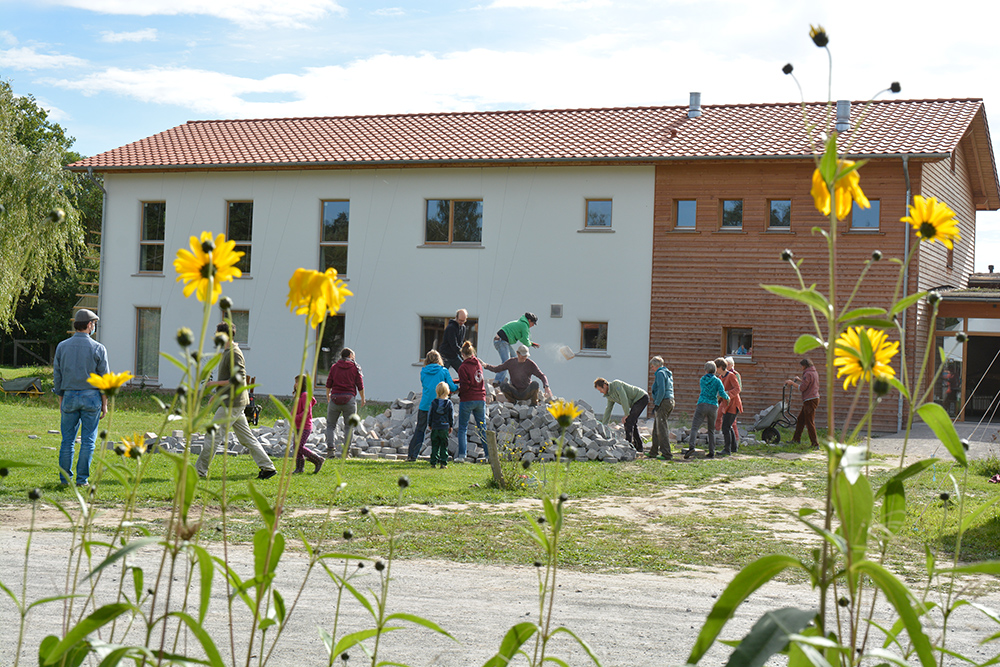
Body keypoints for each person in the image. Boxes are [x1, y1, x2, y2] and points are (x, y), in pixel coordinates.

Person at [196, 322, 278, 479]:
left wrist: (214, 384)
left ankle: (199, 472)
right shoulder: (228, 351)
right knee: (246, 438)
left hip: (232, 404)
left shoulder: (235, 353)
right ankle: (268, 468)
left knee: (212, 436)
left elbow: (238, 379)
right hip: (233, 402)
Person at [53, 309, 109, 486]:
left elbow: (57, 376)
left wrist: (61, 398)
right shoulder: (98, 348)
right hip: (91, 397)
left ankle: (65, 479)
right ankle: (82, 479)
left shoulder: (62, 346)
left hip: (69, 395)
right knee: (88, 441)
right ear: (90, 325)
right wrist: (105, 404)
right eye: (94, 324)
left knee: (67, 441)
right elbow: (104, 380)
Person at [407, 350, 458, 461]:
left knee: (420, 430)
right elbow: (452, 387)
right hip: (440, 405)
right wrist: (458, 386)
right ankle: (438, 457)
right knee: (439, 432)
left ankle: (412, 455)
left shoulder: (423, 371)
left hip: (425, 405)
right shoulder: (443, 371)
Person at [325, 348, 366, 458]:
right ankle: (346, 453)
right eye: (354, 356)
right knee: (349, 427)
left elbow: (328, 383)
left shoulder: (334, 367)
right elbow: (360, 385)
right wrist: (363, 398)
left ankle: (330, 451)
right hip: (349, 400)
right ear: (350, 356)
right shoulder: (355, 367)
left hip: (334, 399)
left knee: (331, 426)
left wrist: (328, 396)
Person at [684, 361, 729, 459]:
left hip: (702, 404)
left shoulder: (702, 380)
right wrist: (728, 398)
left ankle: (691, 447)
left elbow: (704, 390)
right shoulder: (718, 381)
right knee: (711, 430)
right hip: (713, 406)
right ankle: (711, 451)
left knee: (695, 427)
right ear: (715, 371)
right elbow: (722, 393)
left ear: (706, 370)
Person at [483, 344, 553, 404]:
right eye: (522, 355)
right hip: (515, 392)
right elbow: (497, 369)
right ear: (517, 353)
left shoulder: (530, 364)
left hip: (526, 392)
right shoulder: (511, 362)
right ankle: (512, 401)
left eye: (525, 356)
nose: (524, 357)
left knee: (535, 384)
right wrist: (486, 365)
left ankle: (534, 403)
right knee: (503, 385)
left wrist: (546, 386)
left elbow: (542, 375)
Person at [594, 377, 649, 452]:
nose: (600, 392)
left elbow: (624, 399)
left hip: (641, 397)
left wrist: (626, 414)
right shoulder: (609, 395)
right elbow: (608, 409)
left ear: (605, 385)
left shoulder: (616, 385)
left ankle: (628, 446)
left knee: (628, 422)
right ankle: (639, 446)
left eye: (600, 389)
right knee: (632, 422)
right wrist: (604, 425)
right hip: (635, 403)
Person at [456, 341, 487, 462]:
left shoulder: (463, 367)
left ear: (462, 354)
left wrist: (458, 392)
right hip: (480, 398)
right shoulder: (478, 364)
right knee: (482, 428)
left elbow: (465, 386)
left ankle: (462, 455)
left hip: (468, 399)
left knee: (463, 428)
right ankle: (488, 455)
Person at [493, 312, 539, 384]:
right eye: (533, 323)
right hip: (501, 341)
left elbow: (521, 338)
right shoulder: (524, 325)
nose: (533, 325)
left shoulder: (521, 323)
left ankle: (514, 381)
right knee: (506, 361)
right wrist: (530, 344)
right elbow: (525, 340)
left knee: (516, 359)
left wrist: (531, 343)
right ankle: (497, 381)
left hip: (503, 341)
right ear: (529, 320)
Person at [292, 374, 324, 474]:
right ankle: (299, 468)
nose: (295, 384)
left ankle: (318, 459)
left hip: (304, 426)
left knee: (299, 446)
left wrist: (295, 417)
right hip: (297, 426)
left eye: (297, 382)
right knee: (296, 447)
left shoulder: (305, 396)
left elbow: (306, 412)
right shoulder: (300, 396)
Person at [786, 358, 820, 448]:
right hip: (813, 399)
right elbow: (809, 384)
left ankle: (815, 444)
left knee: (809, 422)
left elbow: (802, 388)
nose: (801, 367)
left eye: (801, 366)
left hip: (810, 400)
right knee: (801, 420)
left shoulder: (807, 373)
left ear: (805, 366)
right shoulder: (814, 372)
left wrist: (792, 383)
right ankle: (796, 439)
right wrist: (800, 380)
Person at [649, 357, 674, 460]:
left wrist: (657, 403)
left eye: (652, 366)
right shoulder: (667, 373)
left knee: (662, 429)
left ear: (657, 365)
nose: (651, 369)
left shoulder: (660, 373)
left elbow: (661, 390)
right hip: (670, 401)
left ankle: (666, 454)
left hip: (663, 402)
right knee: (657, 427)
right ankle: (653, 452)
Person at [717, 357, 743, 456]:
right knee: (729, 426)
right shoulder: (720, 377)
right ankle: (733, 447)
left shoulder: (731, 376)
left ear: (720, 367)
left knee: (725, 427)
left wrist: (727, 394)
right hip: (726, 405)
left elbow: (737, 389)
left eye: (716, 368)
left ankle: (727, 449)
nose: (715, 370)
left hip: (733, 405)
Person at [428, 381, 454, 468]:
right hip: (444, 426)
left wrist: (430, 424)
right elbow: (451, 416)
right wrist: (451, 426)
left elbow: (430, 414)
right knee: (444, 445)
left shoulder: (433, 402)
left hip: (435, 426)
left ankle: (433, 462)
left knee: (435, 445)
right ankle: (443, 463)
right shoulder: (449, 403)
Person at [440, 309, 468, 373]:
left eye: (463, 321)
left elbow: (461, 343)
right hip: (445, 355)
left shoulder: (463, 328)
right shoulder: (451, 327)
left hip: (454, 355)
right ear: (456, 317)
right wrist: (462, 353)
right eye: (460, 320)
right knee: (443, 374)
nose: (462, 322)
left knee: (464, 371)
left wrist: (465, 353)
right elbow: (453, 344)